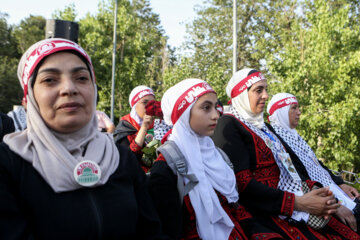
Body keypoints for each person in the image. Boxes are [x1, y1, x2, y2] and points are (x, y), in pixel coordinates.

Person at [0, 38, 168, 240]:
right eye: (50, 80)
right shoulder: (8, 163)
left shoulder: (120, 158)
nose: (69, 89)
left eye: (81, 78)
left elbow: (151, 232)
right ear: (29, 97)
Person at [212, 68, 360, 239]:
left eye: (266, 89)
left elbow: (294, 170)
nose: (266, 95)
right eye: (258, 90)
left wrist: (327, 199)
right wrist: (297, 203)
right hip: (263, 212)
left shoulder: (264, 128)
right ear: (242, 94)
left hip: (294, 204)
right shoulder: (228, 124)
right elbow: (242, 184)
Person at [148, 79, 248, 240]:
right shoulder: (166, 168)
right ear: (184, 113)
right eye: (206, 107)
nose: (216, 115)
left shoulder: (217, 155)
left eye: (215, 107)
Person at [268, 92, 360, 232]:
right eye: (294, 108)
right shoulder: (275, 140)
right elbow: (296, 178)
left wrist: (340, 183)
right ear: (281, 112)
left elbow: (316, 164)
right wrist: (334, 205)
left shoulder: (293, 135)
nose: (299, 112)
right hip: (321, 200)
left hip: (333, 190)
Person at [113, 85, 156, 172]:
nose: (149, 106)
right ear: (134, 105)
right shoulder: (125, 126)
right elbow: (127, 158)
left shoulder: (159, 123)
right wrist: (144, 127)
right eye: (145, 102)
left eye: (153, 103)